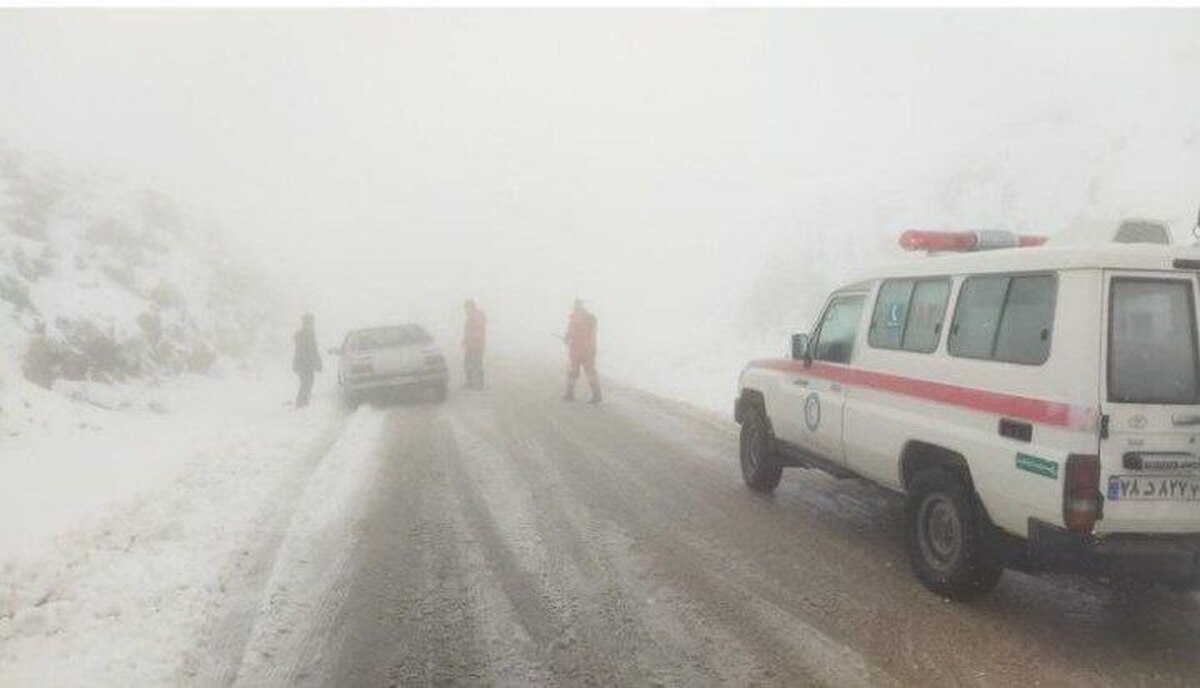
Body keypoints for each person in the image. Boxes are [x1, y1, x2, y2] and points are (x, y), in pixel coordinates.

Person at [562, 299, 601, 404]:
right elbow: (592, 331)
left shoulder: (574, 318)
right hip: (590, 350)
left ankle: (569, 394)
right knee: (591, 372)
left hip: (576, 350)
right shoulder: (591, 318)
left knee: (572, 372)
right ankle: (597, 395)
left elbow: (570, 333)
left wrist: (566, 339)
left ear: (575, 306)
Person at [292, 313, 322, 408]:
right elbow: (313, 349)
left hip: (299, 362)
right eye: (312, 321)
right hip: (306, 363)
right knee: (307, 382)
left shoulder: (299, 333)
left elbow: (300, 349)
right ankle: (302, 403)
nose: (313, 323)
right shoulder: (309, 333)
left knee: (305, 382)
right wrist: (317, 361)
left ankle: (302, 402)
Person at [462, 298, 487, 389]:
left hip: (476, 345)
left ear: (471, 306)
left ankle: (478, 384)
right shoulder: (472, 315)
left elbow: (476, 330)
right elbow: (468, 330)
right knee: (469, 363)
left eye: (467, 307)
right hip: (472, 345)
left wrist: (469, 339)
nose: (466, 309)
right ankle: (471, 383)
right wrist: (465, 340)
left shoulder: (476, 316)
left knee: (476, 364)